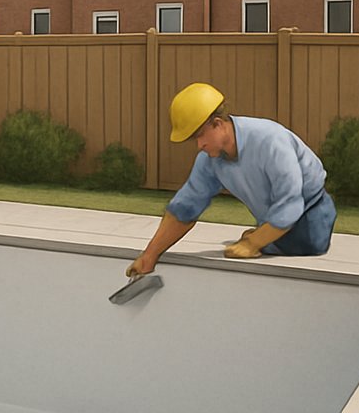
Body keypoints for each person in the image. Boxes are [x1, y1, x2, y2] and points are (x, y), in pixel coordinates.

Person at [128, 82, 336, 275]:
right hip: (272, 221)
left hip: (311, 217)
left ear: (218, 124)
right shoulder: (210, 161)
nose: (199, 145)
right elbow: (184, 209)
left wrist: (254, 242)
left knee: (301, 242)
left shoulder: (270, 140)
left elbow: (291, 204)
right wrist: (149, 256)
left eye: (200, 135)